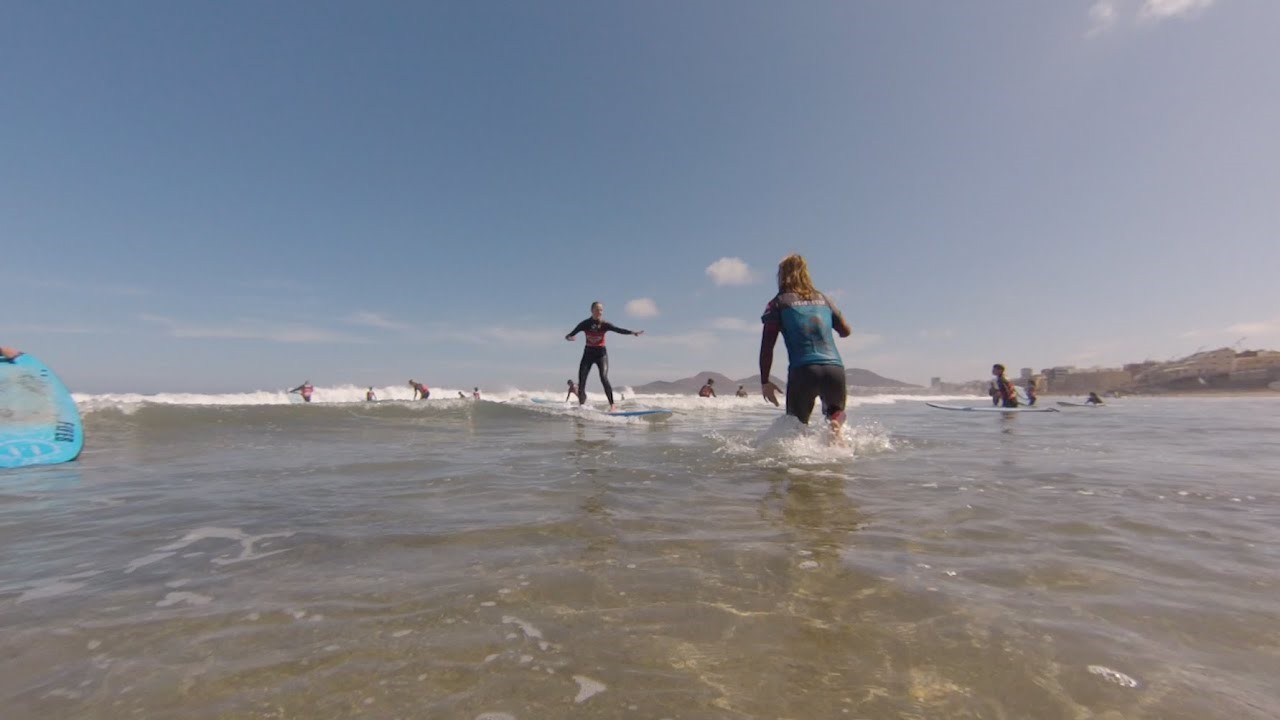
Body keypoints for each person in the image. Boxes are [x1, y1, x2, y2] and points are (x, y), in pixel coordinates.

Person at [759, 254, 852, 432]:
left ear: (781, 275)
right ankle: (835, 427)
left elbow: (767, 346)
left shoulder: (778, 303)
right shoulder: (824, 299)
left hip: (803, 371)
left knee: (795, 429)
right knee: (836, 413)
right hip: (834, 369)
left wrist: (765, 381)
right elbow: (845, 331)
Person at [565, 301, 644, 411]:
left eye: (601, 310)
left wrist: (632, 332)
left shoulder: (605, 324)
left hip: (601, 354)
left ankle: (612, 405)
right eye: (597, 309)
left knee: (603, 377)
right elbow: (569, 335)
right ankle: (581, 406)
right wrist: (570, 338)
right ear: (592, 310)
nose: (600, 312)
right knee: (582, 381)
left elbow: (618, 330)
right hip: (588, 354)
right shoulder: (585, 324)